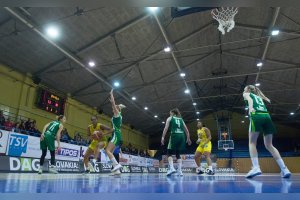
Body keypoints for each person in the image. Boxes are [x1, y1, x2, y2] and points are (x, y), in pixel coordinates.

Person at [243, 85, 291, 178]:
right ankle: (284, 169)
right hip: (266, 117)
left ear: (248, 89)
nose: (243, 90)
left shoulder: (246, 93)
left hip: (256, 115)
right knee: (270, 145)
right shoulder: (259, 97)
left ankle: (256, 167)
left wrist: (250, 108)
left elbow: (250, 100)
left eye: (244, 88)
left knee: (252, 143)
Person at [161, 108, 192, 176]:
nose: (170, 114)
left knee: (169, 153)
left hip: (174, 135)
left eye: (170, 113)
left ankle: (172, 168)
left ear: (173, 113)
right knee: (178, 154)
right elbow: (186, 130)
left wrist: (163, 137)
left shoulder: (170, 118)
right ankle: (180, 171)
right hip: (182, 136)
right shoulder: (181, 119)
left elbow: (166, 128)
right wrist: (188, 138)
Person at [105, 89, 126, 175]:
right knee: (112, 152)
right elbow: (113, 105)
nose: (113, 108)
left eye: (114, 108)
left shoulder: (117, 114)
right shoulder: (118, 116)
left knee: (107, 151)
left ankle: (117, 165)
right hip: (118, 134)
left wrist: (111, 94)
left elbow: (113, 104)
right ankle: (117, 170)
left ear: (117, 109)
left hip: (116, 134)